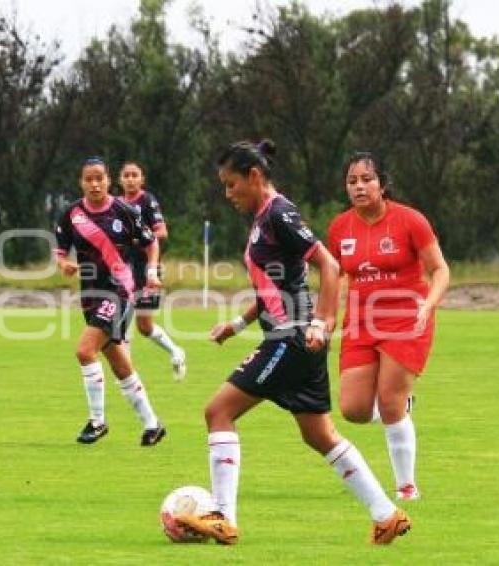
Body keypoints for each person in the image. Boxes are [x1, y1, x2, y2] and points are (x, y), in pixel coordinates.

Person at [172, 140, 410, 545]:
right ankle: (386, 514)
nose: (228, 195)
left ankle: (223, 518)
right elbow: (277, 284)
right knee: (319, 435)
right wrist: (239, 321)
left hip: (293, 337)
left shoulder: (279, 213)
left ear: (254, 176)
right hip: (294, 337)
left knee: (218, 412)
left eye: (231, 185)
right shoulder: (263, 217)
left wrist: (323, 322)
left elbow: (329, 265)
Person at [327, 152, 450, 501]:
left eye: (367, 179)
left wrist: (428, 304)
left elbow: (440, 269)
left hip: (406, 319)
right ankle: (398, 407)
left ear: (382, 184)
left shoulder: (410, 220)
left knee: (391, 403)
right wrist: (327, 317)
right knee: (353, 409)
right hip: (361, 321)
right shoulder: (339, 227)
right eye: (352, 181)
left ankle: (406, 487)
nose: (359, 187)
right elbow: (333, 275)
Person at [54, 157, 166, 446]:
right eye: (88, 179)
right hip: (90, 295)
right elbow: (61, 250)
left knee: (84, 351)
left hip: (120, 290)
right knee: (118, 362)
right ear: (81, 182)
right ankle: (152, 424)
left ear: (107, 181)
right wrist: (64, 263)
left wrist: (151, 271)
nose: (94, 184)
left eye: (99, 178)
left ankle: (97, 421)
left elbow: (151, 241)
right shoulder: (71, 214)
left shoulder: (124, 211)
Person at [117, 161, 186, 380]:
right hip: (124, 269)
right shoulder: (116, 204)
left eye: (134, 175)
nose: (130, 179)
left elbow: (162, 232)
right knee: (121, 320)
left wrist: (137, 240)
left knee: (144, 327)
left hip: (148, 270)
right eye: (126, 175)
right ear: (120, 180)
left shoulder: (147, 201)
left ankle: (176, 352)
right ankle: (126, 372)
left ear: (141, 179)